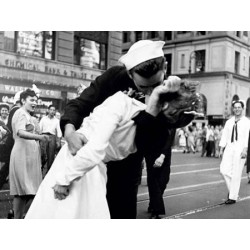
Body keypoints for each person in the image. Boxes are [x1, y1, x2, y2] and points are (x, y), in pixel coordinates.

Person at [25, 77, 199, 219]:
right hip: (81, 162)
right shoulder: (121, 97)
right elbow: (92, 143)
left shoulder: (154, 123)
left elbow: (148, 141)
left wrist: (161, 106)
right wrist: (64, 178)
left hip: (94, 169)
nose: (170, 112)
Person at [58, 40, 175, 219]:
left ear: (165, 67)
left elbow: (153, 143)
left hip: (128, 166)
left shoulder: (169, 93)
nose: (151, 91)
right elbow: (81, 103)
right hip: (92, 164)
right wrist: (69, 129)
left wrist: (154, 109)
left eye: (156, 84)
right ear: (130, 73)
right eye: (143, 87)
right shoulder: (114, 78)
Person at [9, 89, 49, 219]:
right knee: (24, 191)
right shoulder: (20, 113)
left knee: (27, 192)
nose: (35, 103)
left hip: (29, 156)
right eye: (31, 100)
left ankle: (18, 217)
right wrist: (39, 137)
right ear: (22, 101)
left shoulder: (28, 116)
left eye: (36, 100)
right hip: (22, 155)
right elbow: (20, 132)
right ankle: (17, 217)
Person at [219, 100, 250, 204]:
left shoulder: (247, 122)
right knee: (224, 170)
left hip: (240, 149)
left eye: (239, 107)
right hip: (229, 148)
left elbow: (247, 137)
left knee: (236, 174)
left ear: (242, 108)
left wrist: (245, 150)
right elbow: (225, 136)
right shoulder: (229, 121)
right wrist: (221, 148)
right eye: (235, 107)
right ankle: (233, 192)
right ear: (233, 109)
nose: (237, 109)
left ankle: (232, 197)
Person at [145, 128, 176, 219]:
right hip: (151, 151)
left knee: (164, 179)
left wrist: (162, 155)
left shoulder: (171, 118)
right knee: (153, 180)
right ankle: (156, 210)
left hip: (165, 152)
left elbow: (170, 138)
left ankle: (153, 203)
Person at [39, 105, 62, 176]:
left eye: (53, 110)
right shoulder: (43, 119)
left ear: (55, 111)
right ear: (48, 110)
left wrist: (58, 141)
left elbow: (59, 132)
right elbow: (39, 129)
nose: (52, 111)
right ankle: (40, 171)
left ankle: (48, 174)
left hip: (52, 137)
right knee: (42, 155)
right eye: (51, 110)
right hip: (43, 136)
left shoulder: (57, 121)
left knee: (51, 156)